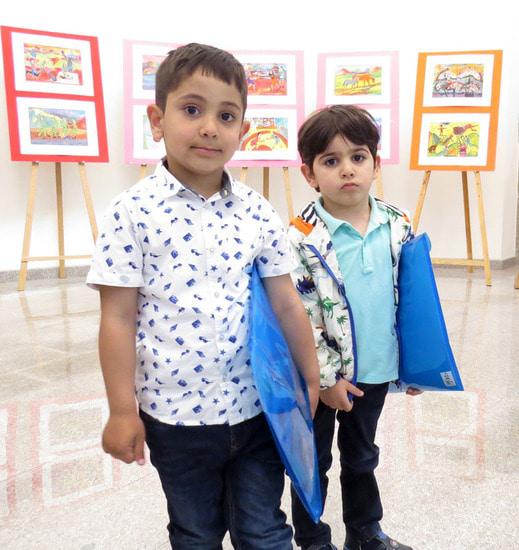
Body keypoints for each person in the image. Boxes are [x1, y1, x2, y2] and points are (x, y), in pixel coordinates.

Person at [87, 43, 320, 550]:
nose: (210, 127)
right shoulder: (131, 212)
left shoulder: (257, 211)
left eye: (226, 116)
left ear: (243, 129)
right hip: (175, 419)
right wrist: (122, 411)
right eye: (192, 110)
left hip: (256, 407)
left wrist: (309, 377)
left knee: (265, 530)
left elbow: (286, 301)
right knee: (195, 533)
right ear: (157, 120)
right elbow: (118, 318)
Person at [288, 105, 421, 550]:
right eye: (331, 160)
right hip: (320, 377)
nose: (347, 169)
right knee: (313, 461)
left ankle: (365, 534)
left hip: (376, 370)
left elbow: (413, 299)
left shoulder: (398, 223)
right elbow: (301, 315)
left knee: (362, 457)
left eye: (358, 157)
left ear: (376, 164)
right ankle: (312, 540)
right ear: (309, 174)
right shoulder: (300, 236)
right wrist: (325, 379)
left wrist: (415, 365)